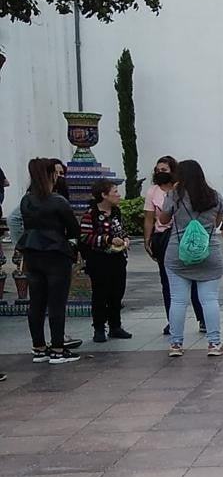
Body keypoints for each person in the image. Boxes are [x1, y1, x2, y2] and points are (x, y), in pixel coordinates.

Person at [158, 159, 223, 358]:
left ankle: (175, 344)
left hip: (177, 253)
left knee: (178, 301)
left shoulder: (173, 195)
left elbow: (163, 220)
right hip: (209, 253)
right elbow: (217, 222)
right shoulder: (214, 196)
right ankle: (214, 344)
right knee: (209, 299)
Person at [19, 158, 81, 364]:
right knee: (56, 302)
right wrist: (72, 245)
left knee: (36, 301)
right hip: (55, 252)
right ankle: (57, 348)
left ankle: (39, 346)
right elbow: (73, 228)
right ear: (51, 175)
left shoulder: (26, 200)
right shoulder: (57, 201)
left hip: (32, 251)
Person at [144, 156, 204, 336]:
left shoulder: (184, 190)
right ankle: (172, 321)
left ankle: (202, 319)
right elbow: (150, 217)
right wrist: (148, 239)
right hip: (163, 238)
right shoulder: (153, 191)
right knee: (167, 281)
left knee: (194, 280)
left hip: (185, 236)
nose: (160, 173)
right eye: (157, 170)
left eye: (164, 170)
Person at [79, 179, 132, 343]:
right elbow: (85, 237)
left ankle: (115, 325)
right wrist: (107, 240)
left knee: (117, 292)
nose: (118, 195)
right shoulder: (91, 214)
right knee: (100, 294)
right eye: (115, 192)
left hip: (117, 259)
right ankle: (99, 328)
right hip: (99, 260)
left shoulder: (116, 211)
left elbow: (120, 229)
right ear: (104, 195)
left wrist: (125, 239)